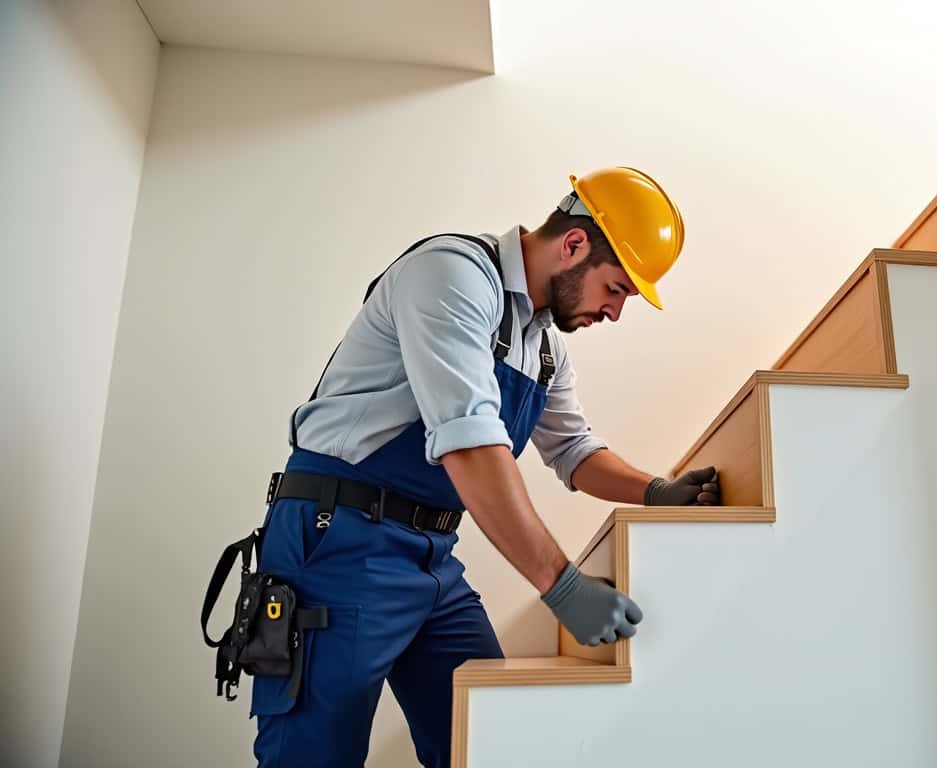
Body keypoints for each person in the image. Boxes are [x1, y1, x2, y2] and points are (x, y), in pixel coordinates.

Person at [250, 167, 720, 767]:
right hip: (338, 539)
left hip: (430, 554)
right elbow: (469, 444)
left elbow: (573, 449)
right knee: (314, 754)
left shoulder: (545, 347)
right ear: (574, 245)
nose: (615, 311)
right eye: (617, 288)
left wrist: (654, 491)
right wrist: (562, 585)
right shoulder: (452, 275)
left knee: (488, 741)